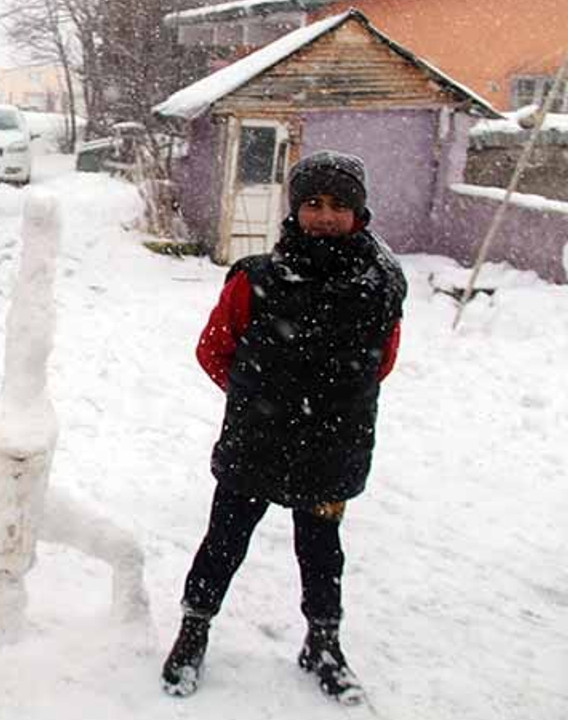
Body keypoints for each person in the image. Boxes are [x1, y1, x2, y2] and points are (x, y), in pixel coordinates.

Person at [160, 151, 407, 704]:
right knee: (224, 542)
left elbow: (381, 362)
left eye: (339, 205)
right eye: (313, 204)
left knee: (322, 552)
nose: (324, 216)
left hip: (332, 449)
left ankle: (323, 645)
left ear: (359, 213)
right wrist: (260, 400)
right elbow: (213, 349)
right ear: (294, 210)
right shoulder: (257, 280)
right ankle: (193, 630)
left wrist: (326, 406)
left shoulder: (380, 286)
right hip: (258, 443)